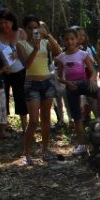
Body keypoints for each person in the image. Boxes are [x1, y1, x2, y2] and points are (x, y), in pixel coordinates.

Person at [55, 28, 100, 156]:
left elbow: (93, 70)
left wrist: (92, 79)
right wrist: (67, 83)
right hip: (71, 87)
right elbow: (60, 77)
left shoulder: (83, 54)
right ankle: (82, 145)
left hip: (84, 83)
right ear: (63, 41)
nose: (70, 41)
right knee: (77, 117)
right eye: (67, 39)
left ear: (77, 40)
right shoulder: (61, 57)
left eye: (72, 39)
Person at [16, 15, 62, 165]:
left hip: (47, 82)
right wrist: (35, 49)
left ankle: (45, 150)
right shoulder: (21, 44)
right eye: (29, 28)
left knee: (46, 118)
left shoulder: (45, 42)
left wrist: (47, 35)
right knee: (34, 120)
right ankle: (27, 154)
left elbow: (59, 52)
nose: (33, 30)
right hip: (32, 84)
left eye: (35, 27)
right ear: (25, 29)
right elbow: (26, 65)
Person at [0, 9, 28, 132]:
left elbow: (29, 50)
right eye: (1, 23)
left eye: (7, 22)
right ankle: (3, 128)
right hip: (2, 72)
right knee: (2, 98)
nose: (4, 25)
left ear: (12, 21)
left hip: (19, 70)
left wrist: (19, 54)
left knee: (20, 97)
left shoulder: (20, 32)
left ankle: (25, 127)